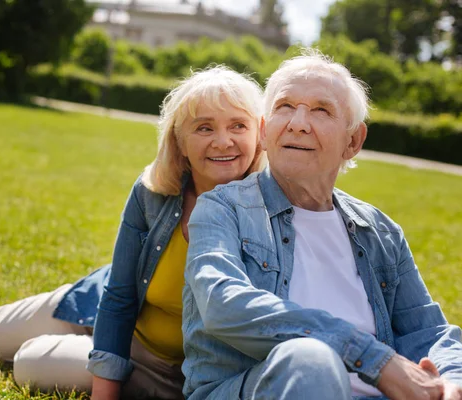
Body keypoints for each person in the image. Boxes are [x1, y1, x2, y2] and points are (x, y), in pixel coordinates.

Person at [182, 50, 462, 400]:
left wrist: (451, 381)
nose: (298, 122)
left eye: (320, 110)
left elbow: (429, 332)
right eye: (285, 106)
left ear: (353, 141)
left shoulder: (381, 231)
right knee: (310, 359)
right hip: (256, 388)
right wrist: (369, 355)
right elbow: (222, 304)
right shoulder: (222, 208)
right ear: (266, 132)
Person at [0, 65, 266, 399]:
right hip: (106, 302)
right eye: (204, 127)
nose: (222, 141)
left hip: (159, 366)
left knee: (29, 363)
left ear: (258, 134)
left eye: (237, 126)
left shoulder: (268, 214)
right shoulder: (153, 193)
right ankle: (92, 337)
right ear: (180, 142)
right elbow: (119, 295)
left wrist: (108, 374)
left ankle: (97, 351)